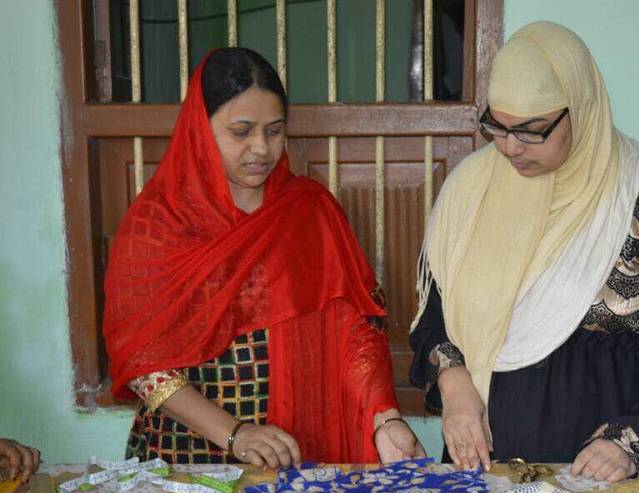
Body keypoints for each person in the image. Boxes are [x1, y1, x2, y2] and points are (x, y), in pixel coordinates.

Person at [409, 22, 639, 481]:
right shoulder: (470, 191)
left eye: (532, 130)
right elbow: (432, 317)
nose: (510, 147)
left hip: (599, 473)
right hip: (483, 467)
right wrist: (453, 385)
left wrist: (635, 442)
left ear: (582, 107)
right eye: (498, 126)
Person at [104, 48, 424, 468]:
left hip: (296, 447)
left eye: (274, 131)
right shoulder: (157, 225)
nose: (261, 148)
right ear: (201, 129)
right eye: (241, 132)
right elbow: (143, 362)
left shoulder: (310, 211)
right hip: (186, 453)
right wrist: (234, 433)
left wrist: (386, 418)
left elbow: (355, 330)